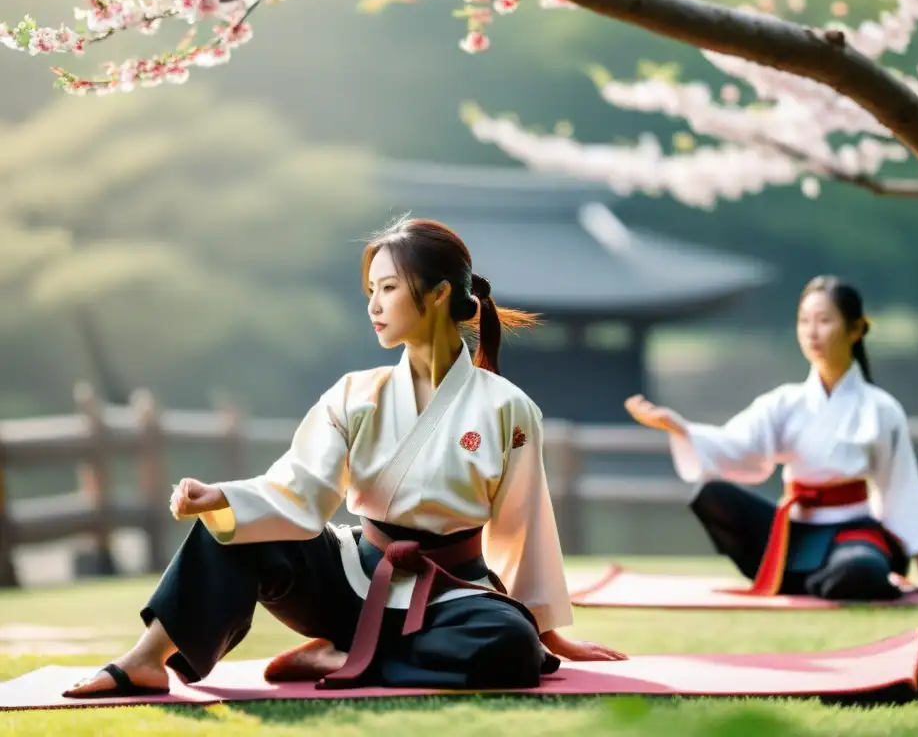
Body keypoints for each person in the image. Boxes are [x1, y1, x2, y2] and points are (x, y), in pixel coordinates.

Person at [65, 216, 625, 699]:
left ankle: (340, 658)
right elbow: (301, 489)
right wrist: (224, 499)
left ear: (435, 295)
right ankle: (145, 658)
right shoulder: (356, 393)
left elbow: (523, 528)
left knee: (507, 646)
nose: (373, 306)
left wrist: (547, 634)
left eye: (387, 289)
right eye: (370, 291)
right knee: (230, 529)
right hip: (350, 578)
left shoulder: (507, 407)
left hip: (447, 596)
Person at [624, 275, 918, 601]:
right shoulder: (784, 401)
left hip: (851, 533)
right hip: (793, 532)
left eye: (824, 321)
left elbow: (900, 485)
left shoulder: (881, 408)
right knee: (713, 494)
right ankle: (816, 579)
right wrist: (681, 428)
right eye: (804, 321)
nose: (812, 332)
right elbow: (737, 446)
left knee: (861, 568)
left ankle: (810, 580)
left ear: (856, 330)